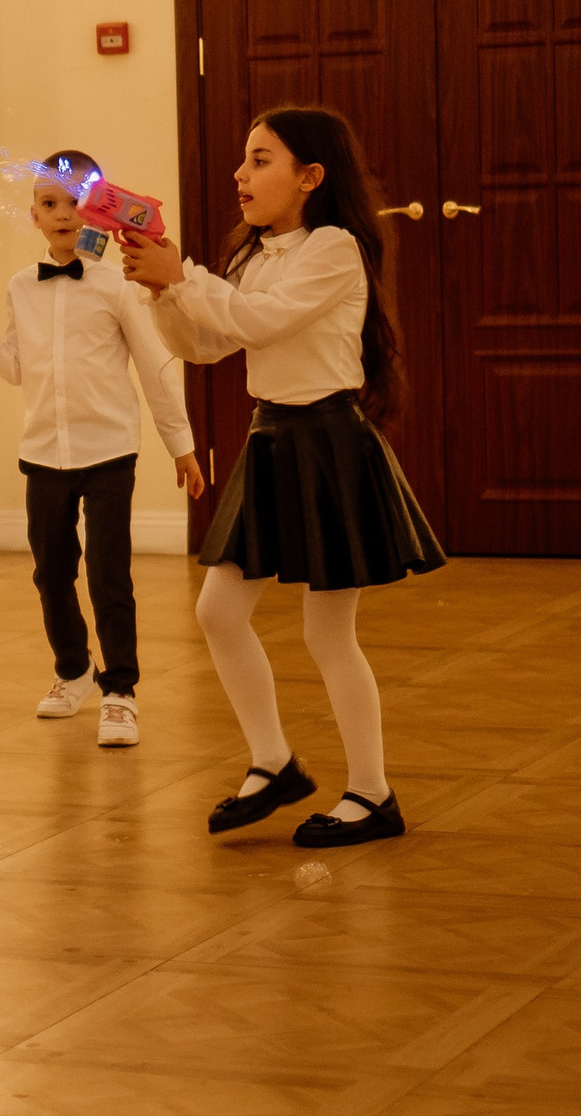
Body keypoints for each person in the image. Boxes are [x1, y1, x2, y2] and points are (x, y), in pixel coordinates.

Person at [122, 105, 444, 848]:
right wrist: (163, 291)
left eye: (260, 159)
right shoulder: (255, 257)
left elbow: (258, 322)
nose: (240, 174)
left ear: (310, 176)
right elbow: (207, 344)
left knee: (328, 634)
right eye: (244, 159)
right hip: (272, 440)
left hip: (329, 444)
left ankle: (373, 793)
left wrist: (182, 277)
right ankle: (273, 763)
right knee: (218, 612)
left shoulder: (334, 249)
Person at [0, 150, 204, 747]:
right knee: (51, 572)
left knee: (109, 574)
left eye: (74, 202)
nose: (62, 213)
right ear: (33, 215)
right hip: (44, 453)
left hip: (109, 449)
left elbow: (153, 367)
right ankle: (73, 670)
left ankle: (121, 691)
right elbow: (17, 368)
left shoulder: (118, 286)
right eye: (49, 202)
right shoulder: (20, 286)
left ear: (97, 209)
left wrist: (182, 445)